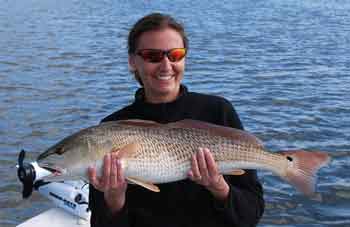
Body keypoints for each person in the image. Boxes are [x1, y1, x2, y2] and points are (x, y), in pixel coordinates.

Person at [87, 13, 264, 227]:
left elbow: (251, 214)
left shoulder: (218, 111)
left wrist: (219, 187)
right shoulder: (110, 128)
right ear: (132, 61)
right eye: (153, 56)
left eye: (176, 55)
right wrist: (114, 200)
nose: (166, 65)